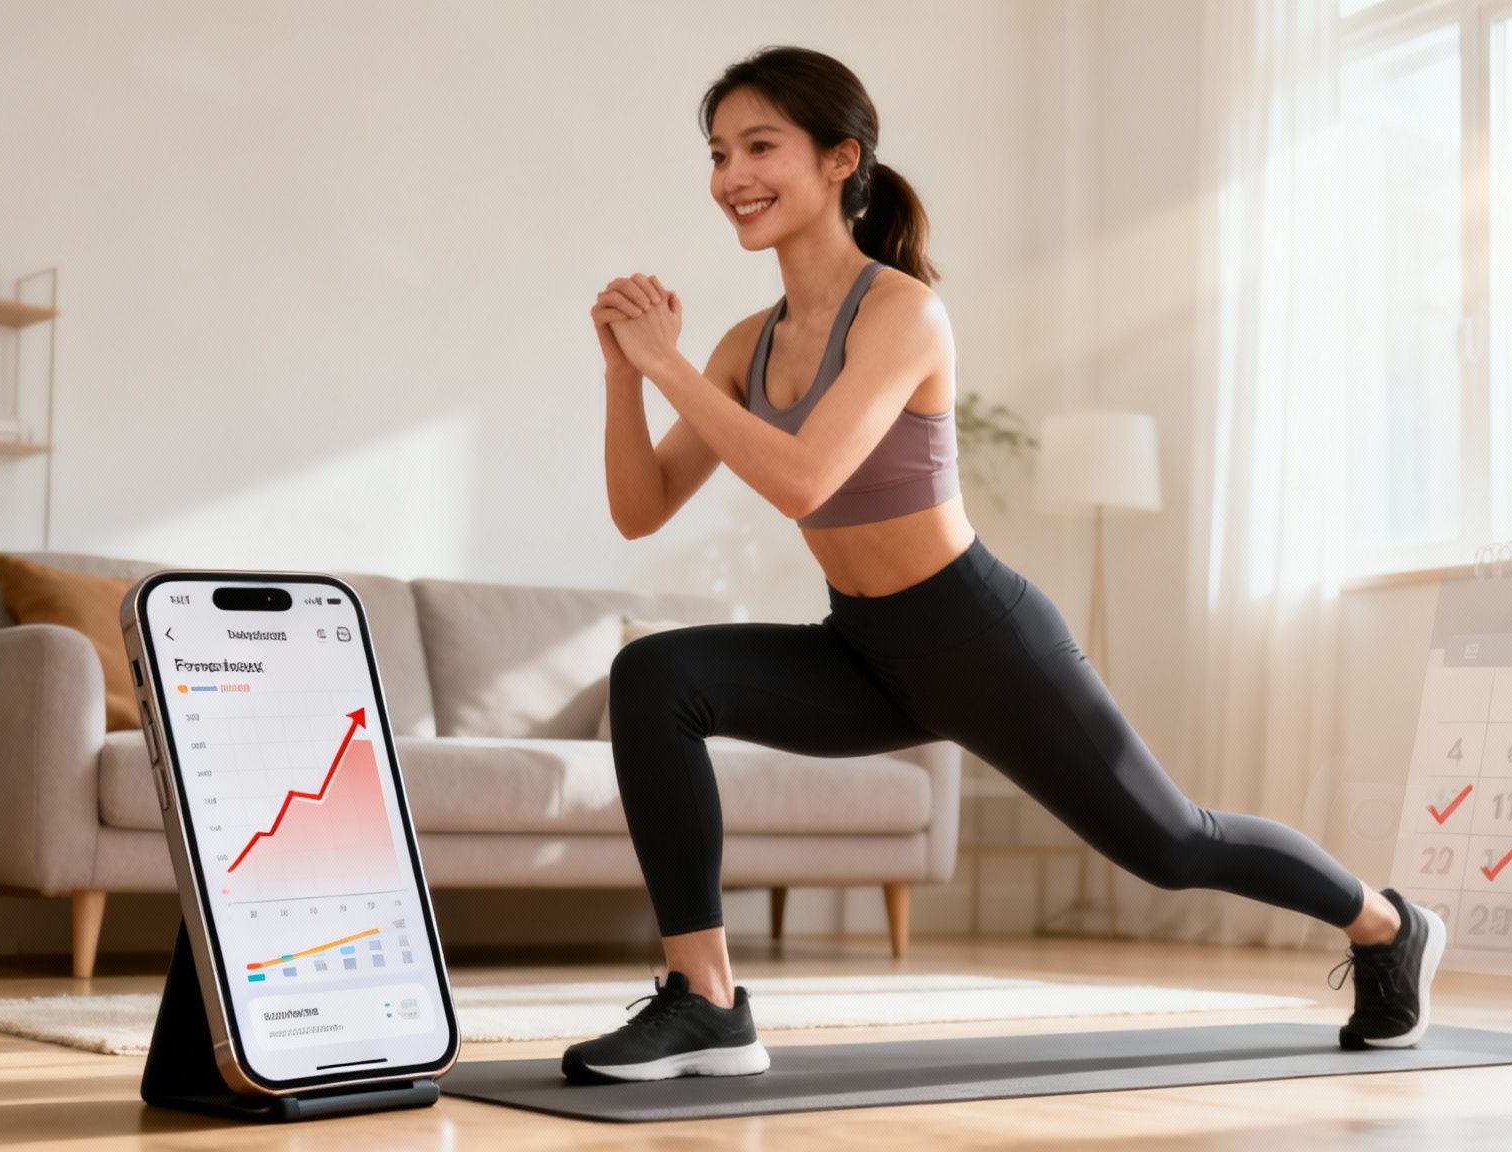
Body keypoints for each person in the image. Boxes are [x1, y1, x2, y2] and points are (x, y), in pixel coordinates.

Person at [564, 45, 1444, 1085]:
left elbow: (804, 479)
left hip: (977, 638)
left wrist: (667, 363)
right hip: (863, 647)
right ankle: (707, 1003)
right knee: (654, 676)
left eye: (761, 146)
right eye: (717, 153)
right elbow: (641, 508)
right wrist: (626, 377)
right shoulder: (743, 345)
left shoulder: (899, 311)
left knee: (1171, 847)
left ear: (841, 160)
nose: (731, 177)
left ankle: (1388, 926)